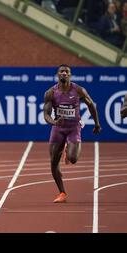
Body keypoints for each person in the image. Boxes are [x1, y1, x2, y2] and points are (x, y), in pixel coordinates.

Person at [44, 64, 101, 203]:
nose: (64, 73)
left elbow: (91, 105)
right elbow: (46, 114)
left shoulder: (78, 90)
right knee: (53, 162)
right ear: (58, 74)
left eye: (67, 71)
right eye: (61, 71)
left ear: (70, 75)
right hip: (58, 128)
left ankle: (68, 149)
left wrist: (97, 123)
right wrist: (53, 122)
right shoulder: (50, 93)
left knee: (73, 158)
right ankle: (62, 192)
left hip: (73, 127)